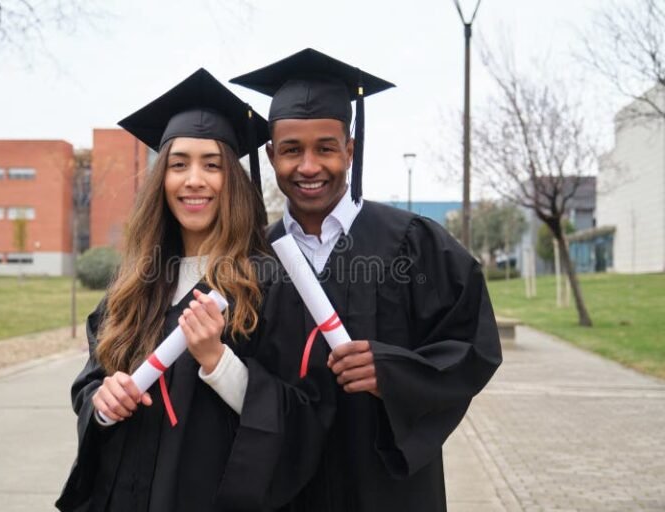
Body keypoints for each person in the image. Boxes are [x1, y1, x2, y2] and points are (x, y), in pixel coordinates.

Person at [231, 48, 503, 511]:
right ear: (271, 155)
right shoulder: (248, 259)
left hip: (385, 490)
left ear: (350, 150)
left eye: (325, 148)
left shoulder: (414, 243)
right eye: (292, 150)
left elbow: (473, 347)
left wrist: (394, 372)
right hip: (284, 489)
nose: (309, 166)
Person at [56, 68, 334, 512]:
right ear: (162, 180)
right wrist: (102, 402)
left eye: (212, 165)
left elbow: (305, 416)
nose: (194, 180)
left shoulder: (269, 284)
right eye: (179, 164)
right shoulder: (134, 284)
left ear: (233, 181)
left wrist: (219, 362)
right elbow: (92, 381)